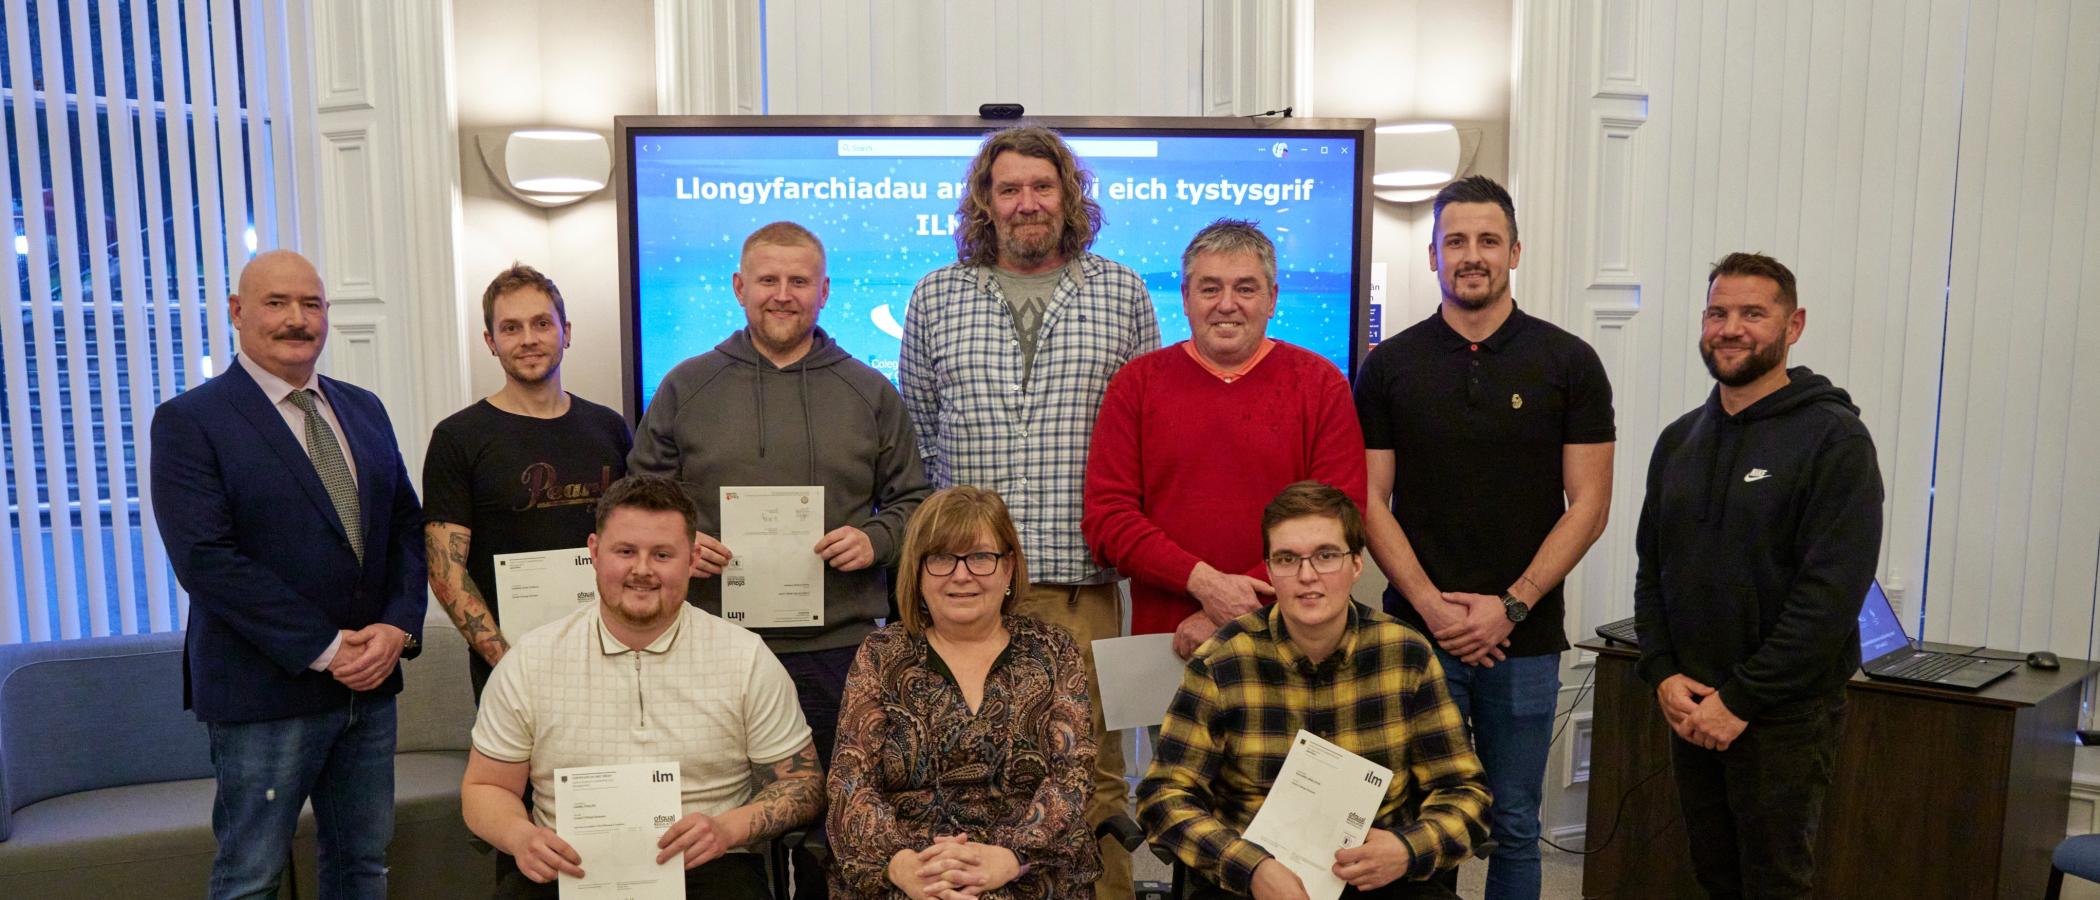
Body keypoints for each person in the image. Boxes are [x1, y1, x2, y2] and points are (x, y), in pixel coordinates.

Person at [898, 124, 1159, 898]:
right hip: (967, 590)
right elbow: (918, 434)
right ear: (985, 201)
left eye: (1042, 186)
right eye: (1008, 188)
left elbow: (1146, 432)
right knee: (967, 774)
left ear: (1069, 195)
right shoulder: (937, 295)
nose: (1026, 202)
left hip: (1082, 590)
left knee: (1094, 776)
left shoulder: (1121, 292)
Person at [1351, 175, 1614, 898]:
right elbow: (1369, 501)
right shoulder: (1389, 366)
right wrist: (1432, 607)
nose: (1472, 255)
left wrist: (1513, 605)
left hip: (1523, 638)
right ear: (1434, 256)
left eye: (1488, 240)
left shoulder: (1569, 363)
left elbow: (1590, 504)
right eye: (1456, 241)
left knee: (1516, 823)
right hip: (1416, 635)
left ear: (1515, 252)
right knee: (1416, 821)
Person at [150, 249, 427, 898]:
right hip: (263, 693)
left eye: (311, 304)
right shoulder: (191, 421)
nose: (296, 319)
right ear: (237, 311)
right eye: (276, 303)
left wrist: (397, 626)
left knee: (363, 865)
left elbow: (406, 529)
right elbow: (206, 560)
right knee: (251, 878)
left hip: (370, 687)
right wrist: (327, 648)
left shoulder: (363, 408)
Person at [629, 220, 931, 769]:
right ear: (739, 287)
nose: (783, 295)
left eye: (799, 281)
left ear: (825, 291)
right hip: (710, 640)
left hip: (837, 648)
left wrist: (876, 539)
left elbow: (914, 502)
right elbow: (640, 503)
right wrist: (680, 543)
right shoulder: (685, 386)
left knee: (838, 803)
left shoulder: (871, 393)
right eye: (768, 280)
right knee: (716, 798)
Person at [1634, 252, 1882, 898]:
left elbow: (1827, 602)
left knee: (1775, 884)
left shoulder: (1835, 441)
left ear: (1793, 326)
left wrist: (1740, 701)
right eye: (1717, 313)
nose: (1731, 329)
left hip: (1783, 718)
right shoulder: (1678, 441)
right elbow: (1651, 572)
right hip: (1691, 706)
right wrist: (1661, 673)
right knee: (1715, 876)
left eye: (1753, 314)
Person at [461, 474, 824, 900]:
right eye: (626, 551)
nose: (642, 570)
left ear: (692, 559)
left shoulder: (745, 658)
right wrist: (521, 836)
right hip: (567, 866)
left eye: (663, 554)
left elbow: (804, 784)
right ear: (594, 552)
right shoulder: (530, 660)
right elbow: (485, 788)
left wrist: (726, 829)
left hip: (707, 865)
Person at [1137, 482, 1491, 900]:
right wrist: (1250, 867)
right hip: (1254, 884)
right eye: (1287, 559)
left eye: (1326, 556)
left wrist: (1406, 849)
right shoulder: (1222, 661)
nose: (1307, 576)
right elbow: (1163, 797)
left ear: (1356, 564)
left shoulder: (1405, 654)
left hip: (1378, 879)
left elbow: (1466, 793)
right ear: (1269, 571)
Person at [1084, 217, 1366, 659]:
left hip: (1295, 640)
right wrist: (1204, 583)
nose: (1227, 304)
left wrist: (1235, 607)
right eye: (1210, 288)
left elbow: (1341, 517)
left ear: (1272, 299)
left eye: (1246, 289)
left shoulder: (1321, 385)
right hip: (1170, 645)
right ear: (1186, 298)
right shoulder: (1135, 386)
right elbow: (1108, 519)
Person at [827, 486, 1101, 899]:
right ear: (917, 572)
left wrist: (1010, 857)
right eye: (941, 558)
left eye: (980, 557)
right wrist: (903, 865)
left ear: (1008, 568)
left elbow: (1073, 775)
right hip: (909, 872)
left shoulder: (1053, 650)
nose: (961, 575)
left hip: (1028, 868)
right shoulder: (882, 653)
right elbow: (850, 781)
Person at [424, 263, 631, 700]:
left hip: (612, 658)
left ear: (565, 332)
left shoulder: (609, 428)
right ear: (491, 342)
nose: (528, 339)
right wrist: (508, 662)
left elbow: (632, 543)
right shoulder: (458, 438)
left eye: (542, 324)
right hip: (510, 671)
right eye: (511, 328)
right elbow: (445, 570)